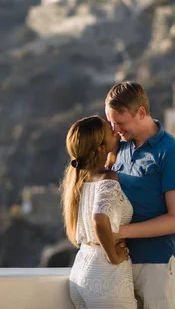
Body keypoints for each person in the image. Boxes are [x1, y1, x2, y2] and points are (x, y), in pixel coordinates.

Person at [105, 81, 175, 309]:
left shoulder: (170, 151)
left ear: (141, 112)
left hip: (160, 266)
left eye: (120, 122)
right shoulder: (119, 146)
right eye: (111, 123)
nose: (115, 130)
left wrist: (120, 232)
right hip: (122, 266)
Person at [61, 115, 137, 309]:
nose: (114, 130)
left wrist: (111, 153)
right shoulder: (108, 178)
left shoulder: (80, 180)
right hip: (105, 275)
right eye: (108, 130)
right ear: (101, 148)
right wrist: (113, 256)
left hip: (81, 270)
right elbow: (100, 219)